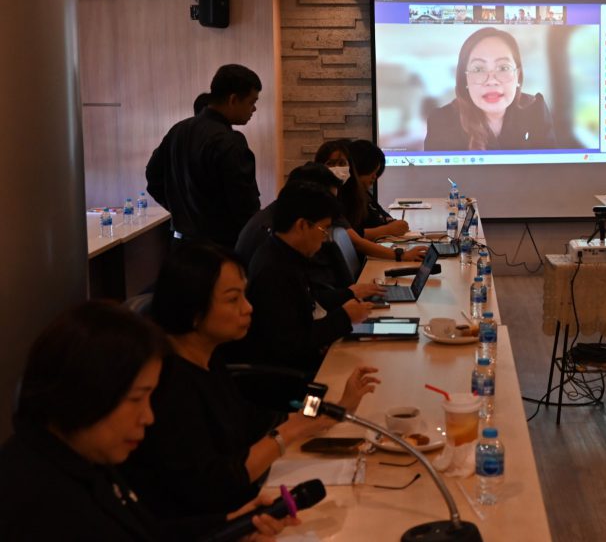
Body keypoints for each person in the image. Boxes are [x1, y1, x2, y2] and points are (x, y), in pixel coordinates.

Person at [124, 242, 378, 520]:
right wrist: (287, 433)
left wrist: (335, 409)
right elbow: (214, 485)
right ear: (193, 311)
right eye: (233, 299)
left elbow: (255, 420)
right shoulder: (168, 386)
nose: (248, 308)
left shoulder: (208, 358)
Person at [0, 303, 295, 541]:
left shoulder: (81, 455)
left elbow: (147, 532)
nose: (149, 417)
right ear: (86, 390)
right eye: (135, 399)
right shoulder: (40, 507)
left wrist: (231, 524)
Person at [223, 184, 375, 375]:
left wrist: (348, 295)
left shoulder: (284, 253)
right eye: (323, 229)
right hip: (289, 376)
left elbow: (308, 300)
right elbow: (291, 343)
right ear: (302, 225)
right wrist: (344, 317)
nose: (324, 238)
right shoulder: (274, 270)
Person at [146, 64, 262, 248]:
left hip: (180, 245)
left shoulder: (178, 130)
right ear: (233, 99)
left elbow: (153, 178)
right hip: (219, 251)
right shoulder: (230, 142)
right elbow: (245, 206)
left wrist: (180, 210)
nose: (254, 109)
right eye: (251, 102)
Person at [423, 28, 555, 151]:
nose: (492, 81)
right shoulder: (441, 122)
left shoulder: (535, 109)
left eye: (503, 68)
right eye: (478, 69)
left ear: (518, 75)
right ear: (465, 79)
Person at [313, 140, 428, 265]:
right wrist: (401, 254)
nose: (337, 168)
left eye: (342, 163)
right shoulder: (325, 200)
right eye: (331, 164)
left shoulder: (358, 193)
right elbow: (356, 241)